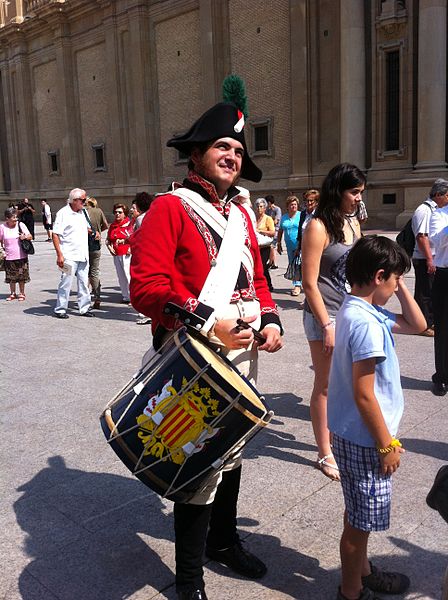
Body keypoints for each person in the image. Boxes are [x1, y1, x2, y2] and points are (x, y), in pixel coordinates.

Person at [130, 99, 283, 600]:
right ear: (195, 155)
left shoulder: (240, 213)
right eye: (223, 146)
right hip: (194, 355)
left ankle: (223, 541)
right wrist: (209, 322)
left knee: (232, 453)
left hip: (242, 355)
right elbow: (146, 287)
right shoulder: (169, 207)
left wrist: (272, 319)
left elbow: (256, 280)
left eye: (238, 149)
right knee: (197, 465)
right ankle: (190, 580)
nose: (233, 155)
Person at [328, 235, 425, 600]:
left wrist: (399, 290)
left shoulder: (358, 309)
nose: (398, 286)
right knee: (359, 525)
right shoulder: (367, 323)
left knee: (357, 515)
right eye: (396, 279)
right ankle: (351, 591)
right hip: (368, 439)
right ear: (379, 275)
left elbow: (417, 325)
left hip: (352, 433)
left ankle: (363, 572)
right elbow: (364, 393)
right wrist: (388, 445)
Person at [301, 163, 366, 481]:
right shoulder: (317, 226)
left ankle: (341, 436)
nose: (357, 198)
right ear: (338, 190)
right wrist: (327, 324)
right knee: (325, 385)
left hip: (350, 314)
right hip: (323, 316)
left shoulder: (353, 223)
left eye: (360, 193)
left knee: (351, 383)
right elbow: (309, 282)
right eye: (354, 192)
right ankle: (324, 452)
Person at [411, 179, 448, 338]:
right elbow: (422, 237)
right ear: (438, 195)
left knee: (430, 292)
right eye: (447, 195)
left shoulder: (436, 209)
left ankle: (429, 321)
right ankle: (423, 324)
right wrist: (429, 260)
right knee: (424, 293)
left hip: (431, 257)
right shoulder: (425, 210)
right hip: (424, 258)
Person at [52, 188, 93, 319]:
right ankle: (60, 308)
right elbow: (55, 234)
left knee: (84, 282)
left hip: (83, 254)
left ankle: (84, 307)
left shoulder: (83, 212)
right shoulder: (63, 213)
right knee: (66, 282)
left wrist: (91, 232)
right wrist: (59, 255)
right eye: (83, 200)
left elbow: (86, 228)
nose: (85, 202)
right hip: (68, 255)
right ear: (74, 200)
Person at [429, 186, 448, 396]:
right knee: (443, 328)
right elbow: (436, 240)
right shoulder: (439, 215)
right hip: (445, 274)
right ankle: (441, 376)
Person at [0, 207, 32, 301]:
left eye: (16, 217)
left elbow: (30, 236)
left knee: (21, 276)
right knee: (11, 276)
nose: (16, 219)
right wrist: (2, 250)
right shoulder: (2, 227)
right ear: (7, 218)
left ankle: (22, 293)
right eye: (13, 217)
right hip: (9, 256)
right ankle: (13, 293)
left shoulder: (20, 225)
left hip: (22, 255)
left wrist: (24, 236)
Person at [132, 192, 154, 324]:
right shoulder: (152, 215)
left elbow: (139, 238)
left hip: (144, 255)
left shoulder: (141, 219)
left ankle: (147, 313)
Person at [84, 197, 109, 309]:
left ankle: (85, 296)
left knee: (83, 272)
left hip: (84, 245)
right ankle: (97, 297)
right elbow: (106, 225)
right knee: (94, 271)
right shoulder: (98, 211)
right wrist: (98, 231)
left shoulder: (82, 212)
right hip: (96, 244)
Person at [107, 203, 133, 304]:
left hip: (127, 253)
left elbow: (134, 237)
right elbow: (108, 239)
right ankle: (125, 296)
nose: (117, 214)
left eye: (120, 212)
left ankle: (133, 297)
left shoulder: (129, 225)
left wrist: (131, 248)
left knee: (128, 275)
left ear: (125, 213)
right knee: (121, 276)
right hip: (116, 253)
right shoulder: (113, 226)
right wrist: (109, 248)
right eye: (116, 212)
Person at [277, 195, 301, 295]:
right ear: (287, 206)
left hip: (300, 245)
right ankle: (297, 284)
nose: (293, 206)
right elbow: (280, 231)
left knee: (299, 264)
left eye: (295, 204)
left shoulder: (301, 215)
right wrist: (278, 243)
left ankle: (298, 286)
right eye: (291, 205)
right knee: (292, 265)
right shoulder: (284, 217)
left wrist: (300, 245)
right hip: (289, 245)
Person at [254, 197, 275, 291]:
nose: (259, 208)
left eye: (261, 206)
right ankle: (261, 285)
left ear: (265, 208)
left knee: (263, 266)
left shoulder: (268, 219)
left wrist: (260, 231)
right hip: (256, 246)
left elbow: (272, 232)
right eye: (258, 206)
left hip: (265, 247)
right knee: (257, 267)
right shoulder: (254, 218)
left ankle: (268, 285)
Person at [266, 194, 281, 269]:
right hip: (269, 231)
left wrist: (269, 221)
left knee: (272, 246)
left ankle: (273, 263)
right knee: (271, 247)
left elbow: (276, 221)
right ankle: (271, 262)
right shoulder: (267, 210)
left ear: (269, 202)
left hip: (276, 230)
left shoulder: (277, 209)